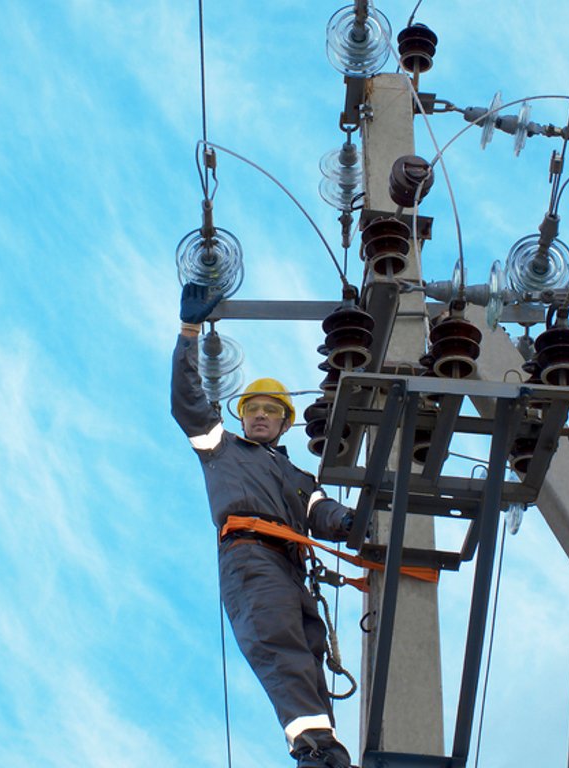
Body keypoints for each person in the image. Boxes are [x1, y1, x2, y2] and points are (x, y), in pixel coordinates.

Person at [172, 282, 356, 768]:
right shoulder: (221, 447)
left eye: (269, 411)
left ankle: (324, 747)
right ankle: (312, 750)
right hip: (251, 556)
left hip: (291, 567)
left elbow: (324, 516)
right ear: (241, 415)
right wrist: (188, 332)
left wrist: (360, 524)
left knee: (308, 652)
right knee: (280, 647)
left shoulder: (299, 477)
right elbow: (187, 402)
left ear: (283, 422)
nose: (258, 416)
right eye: (251, 409)